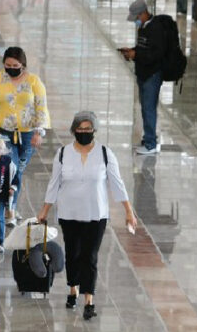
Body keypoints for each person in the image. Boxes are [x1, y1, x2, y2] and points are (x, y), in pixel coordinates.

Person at [37, 111, 137, 321]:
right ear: (74, 131)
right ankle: (73, 289)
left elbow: (117, 183)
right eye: (80, 129)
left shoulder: (105, 153)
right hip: (69, 213)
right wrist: (44, 211)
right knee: (73, 254)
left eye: (88, 129)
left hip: (96, 214)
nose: (84, 133)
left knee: (90, 257)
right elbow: (54, 184)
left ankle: (89, 300)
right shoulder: (63, 153)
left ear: (94, 130)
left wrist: (129, 211)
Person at [0, 46, 50, 226]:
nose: (11, 68)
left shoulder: (34, 82)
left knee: (19, 171)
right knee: (11, 167)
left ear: (23, 65)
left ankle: (11, 203)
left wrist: (39, 131)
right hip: (1, 132)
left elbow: (41, 107)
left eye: (15, 65)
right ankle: (11, 211)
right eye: (7, 65)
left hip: (27, 134)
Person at [119, 0, 166, 155]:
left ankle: (151, 143)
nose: (136, 21)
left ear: (143, 13)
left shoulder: (156, 29)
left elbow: (157, 54)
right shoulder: (144, 28)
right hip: (143, 74)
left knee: (149, 108)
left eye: (137, 17)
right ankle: (147, 140)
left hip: (152, 75)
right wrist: (131, 52)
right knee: (145, 108)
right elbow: (143, 49)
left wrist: (136, 54)